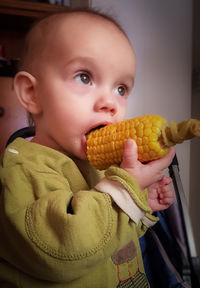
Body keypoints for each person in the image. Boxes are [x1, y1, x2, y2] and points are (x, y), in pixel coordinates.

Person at [0, 8, 175, 288]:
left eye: (121, 88)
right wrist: (124, 191)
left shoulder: (104, 166)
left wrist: (140, 205)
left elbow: (110, 234)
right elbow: (64, 250)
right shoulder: (24, 170)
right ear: (32, 94)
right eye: (84, 77)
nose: (111, 103)